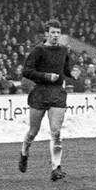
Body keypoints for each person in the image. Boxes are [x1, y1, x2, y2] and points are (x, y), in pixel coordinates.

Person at [19, 19, 80, 181]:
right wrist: (45, 76)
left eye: (58, 33)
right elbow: (27, 71)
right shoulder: (38, 50)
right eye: (52, 32)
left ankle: (56, 168)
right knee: (33, 132)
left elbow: (65, 70)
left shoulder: (63, 50)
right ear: (46, 33)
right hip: (40, 92)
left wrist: (72, 73)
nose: (55, 35)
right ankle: (24, 151)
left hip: (57, 93)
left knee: (56, 132)